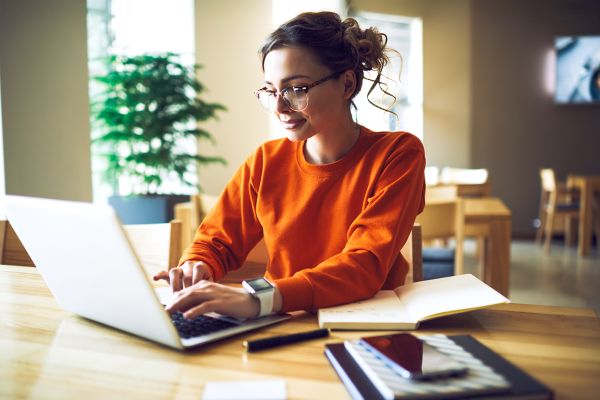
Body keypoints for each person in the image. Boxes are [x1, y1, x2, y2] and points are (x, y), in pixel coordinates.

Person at [154, 11, 425, 320]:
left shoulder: (398, 154)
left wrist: (259, 299)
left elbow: (362, 266)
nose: (280, 107)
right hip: (281, 322)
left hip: (368, 327)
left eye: (297, 89)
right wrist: (197, 265)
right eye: (271, 90)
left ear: (347, 84)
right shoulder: (265, 161)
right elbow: (215, 242)